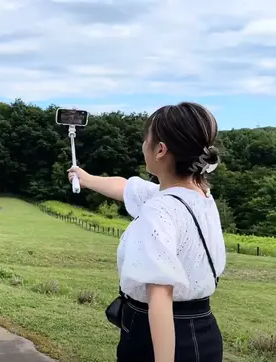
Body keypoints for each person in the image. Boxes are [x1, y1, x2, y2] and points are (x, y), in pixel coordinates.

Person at [68, 102, 226, 362]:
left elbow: (161, 297)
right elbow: (127, 188)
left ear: (160, 149)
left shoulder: (160, 209)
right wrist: (85, 178)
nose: (143, 145)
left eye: (146, 139)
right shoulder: (200, 197)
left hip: (157, 337)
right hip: (203, 330)